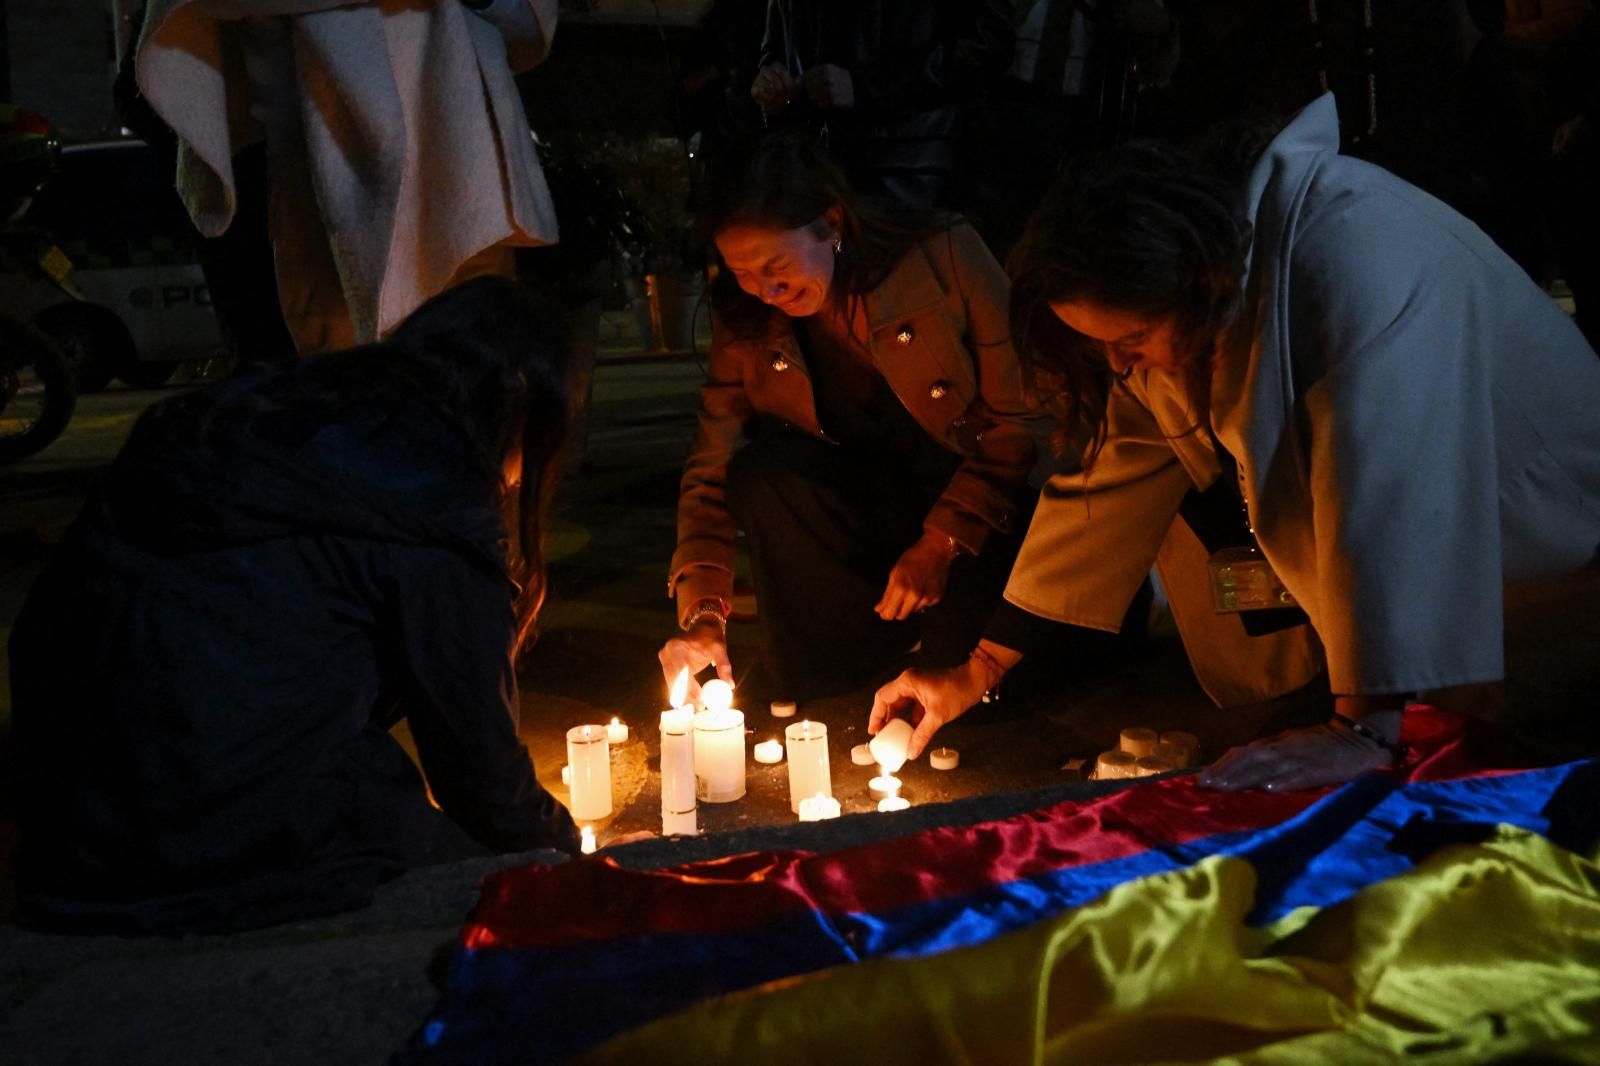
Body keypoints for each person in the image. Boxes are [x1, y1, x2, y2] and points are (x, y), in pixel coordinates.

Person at [869, 93, 1600, 790]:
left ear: (1187, 280)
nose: (1120, 365)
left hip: (1541, 562)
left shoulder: (1349, 250)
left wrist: (1362, 730)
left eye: (1129, 341)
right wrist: (980, 669)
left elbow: (1384, 488)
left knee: (1478, 789)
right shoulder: (1195, 290)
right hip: (1418, 604)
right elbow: (1106, 481)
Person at [6, 278, 584, 935]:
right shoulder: (436, 495)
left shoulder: (263, 415)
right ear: (517, 398)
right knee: (477, 885)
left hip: (68, 813)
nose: (518, 479)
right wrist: (572, 855)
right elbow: (482, 783)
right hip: (205, 830)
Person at [658, 131, 1049, 705]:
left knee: (964, 692)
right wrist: (704, 612)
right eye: (742, 273)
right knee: (764, 474)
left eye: (776, 265)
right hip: (868, 510)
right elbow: (712, 461)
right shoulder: (746, 317)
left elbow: (1022, 420)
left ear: (832, 223)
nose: (766, 291)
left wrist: (941, 543)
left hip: (984, 511)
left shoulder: (943, 256)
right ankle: (833, 674)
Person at [131, 0, 560, 355]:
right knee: (344, 387)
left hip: (465, 172)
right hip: (313, 179)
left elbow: (524, 18)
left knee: (475, 381)